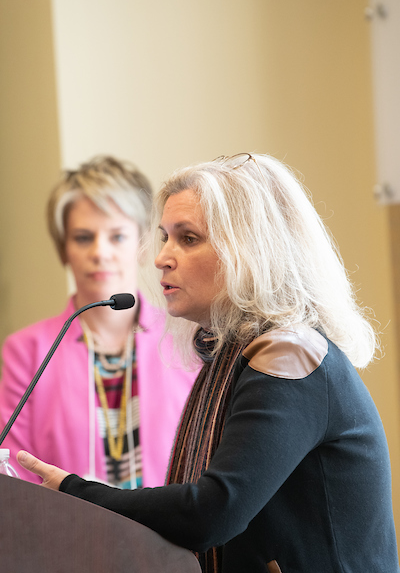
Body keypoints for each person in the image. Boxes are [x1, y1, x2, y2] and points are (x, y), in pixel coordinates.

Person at [16, 153, 399, 573]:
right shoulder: (229, 353)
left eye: (188, 238)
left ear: (250, 250)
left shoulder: (290, 354)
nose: (162, 257)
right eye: (164, 237)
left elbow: (211, 512)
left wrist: (74, 491)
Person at [0, 155, 198, 489]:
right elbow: (13, 476)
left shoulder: (190, 336)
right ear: (63, 249)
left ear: (142, 244)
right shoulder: (26, 351)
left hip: (173, 522)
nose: (99, 253)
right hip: (63, 522)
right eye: (82, 237)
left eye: (117, 236)